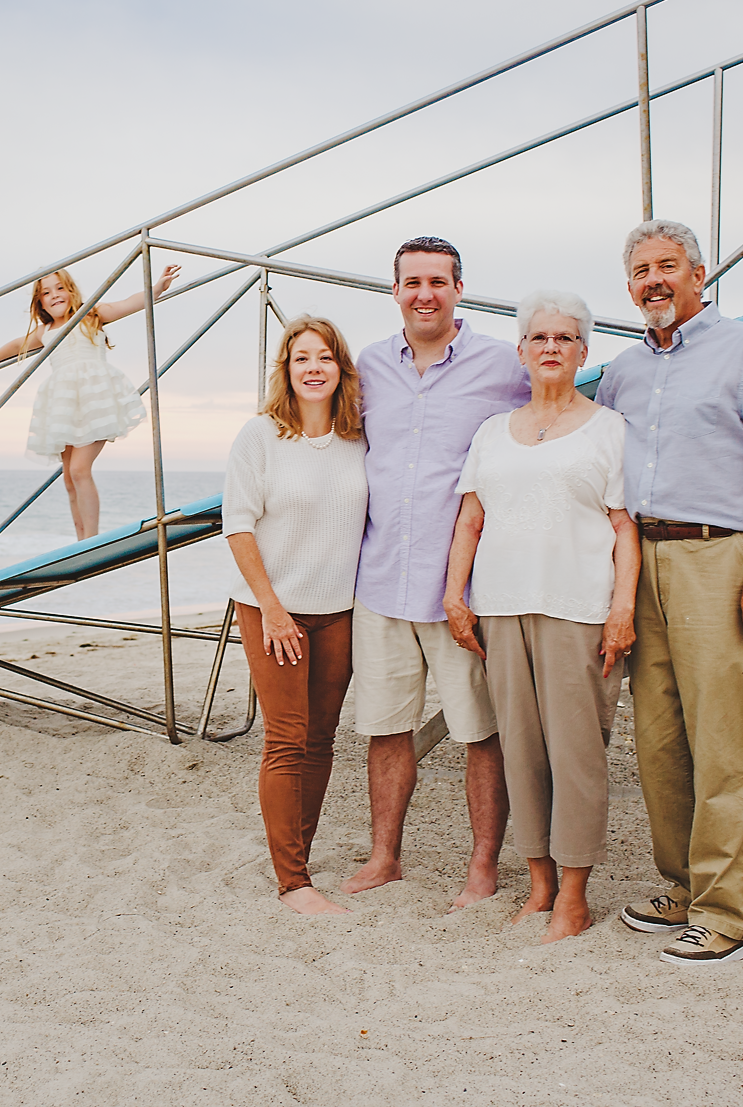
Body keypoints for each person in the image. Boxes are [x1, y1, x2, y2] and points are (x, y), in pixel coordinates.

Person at [595, 219, 743, 966]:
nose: (654, 280)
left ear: (698, 272)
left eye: (668, 265)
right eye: (641, 271)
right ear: (629, 287)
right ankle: (682, 886)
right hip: (640, 560)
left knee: (726, 741)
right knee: (658, 742)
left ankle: (724, 914)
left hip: (720, 559)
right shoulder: (621, 372)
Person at [443, 289, 639, 943]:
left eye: (564, 338)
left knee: (576, 755)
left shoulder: (610, 430)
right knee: (521, 753)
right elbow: (470, 519)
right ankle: (540, 888)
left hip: (578, 609)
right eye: (539, 338)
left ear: (583, 351)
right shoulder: (492, 432)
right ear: (522, 351)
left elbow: (625, 528)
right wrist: (455, 595)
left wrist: (621, 610)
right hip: (500, 609)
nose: (551, 347)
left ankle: (574, 898)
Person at [342, 237, 531, 906]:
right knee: (385, 727)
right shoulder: (369, 365)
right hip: (379, 581)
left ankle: (482, 865)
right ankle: (384, 856)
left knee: (481, 733)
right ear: (395, 290)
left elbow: (549, 421)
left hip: (463, 588)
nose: (425, 294)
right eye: (413, 282)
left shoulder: (503, 364)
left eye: (438, 282)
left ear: (459, 289)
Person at [223, 315, 369, 915]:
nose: (313, 368)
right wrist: (273, 609)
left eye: (325, 357)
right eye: (301, 357)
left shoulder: (359, 438)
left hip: (339, 611)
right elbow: (237, 526)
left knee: (321, 739)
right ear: (285, 369)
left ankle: (298, 856)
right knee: (285, 739)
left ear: (341, 369)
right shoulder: (260, 436)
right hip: (272, 610)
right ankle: (294, 884)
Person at [0, 263, 181, 540]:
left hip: (96, 400)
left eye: (60, 288)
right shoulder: (46, 331)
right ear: (40, 303)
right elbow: (16, 345)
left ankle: (92, 538)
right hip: (65, 406)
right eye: (47, 292)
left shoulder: (91, 314)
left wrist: (156, 288)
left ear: (71, 291)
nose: (55, 295)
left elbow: (128, 304)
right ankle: (81, 538)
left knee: (80, 470)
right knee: (69, 478)